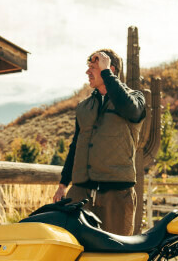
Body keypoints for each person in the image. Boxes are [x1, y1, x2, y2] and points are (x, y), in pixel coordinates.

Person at [53, 49, 146, 235]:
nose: (88, 72)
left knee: (116, 257)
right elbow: (75, 146)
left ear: (109, 69)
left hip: (117, 196)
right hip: (80, 194)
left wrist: (107, 75)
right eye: (88, 67)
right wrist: (63, 184)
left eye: (93, 67)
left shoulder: (135, 98)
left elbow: (132, 111)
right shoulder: (83, 106)